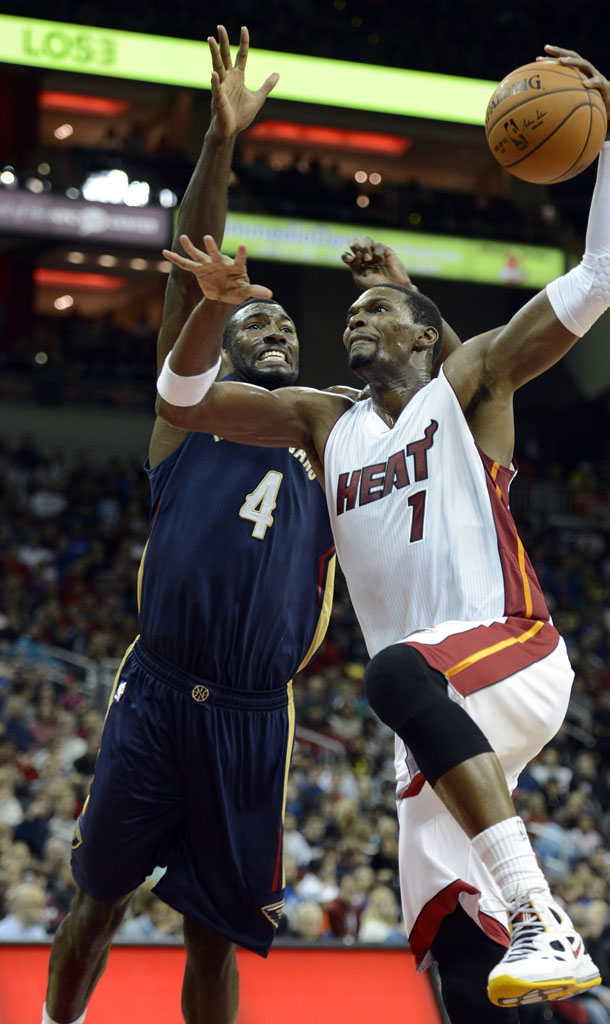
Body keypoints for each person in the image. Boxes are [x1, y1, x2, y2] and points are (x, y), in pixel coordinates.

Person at [157, 46, 610, 1022]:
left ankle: (544, 909)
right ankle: (524, 936)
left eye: (384, 308)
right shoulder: (324, 423)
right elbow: (181, 399)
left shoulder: (470, 393)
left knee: (392, 674)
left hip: (506, 654)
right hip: (432, 713)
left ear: (426, 333)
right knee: (464, 961)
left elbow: (606, 271)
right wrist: (207, 314)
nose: (358, 317)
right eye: (355, 311)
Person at [40, 27, 331, 1024]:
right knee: (100, 897)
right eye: (258, 320)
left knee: (216, 933)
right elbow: (188, 268)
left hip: (253, 712)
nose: (278, 327)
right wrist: (221, 139)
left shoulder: (333, 439)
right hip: (160, 690)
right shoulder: (186, 422)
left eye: (288, 322)